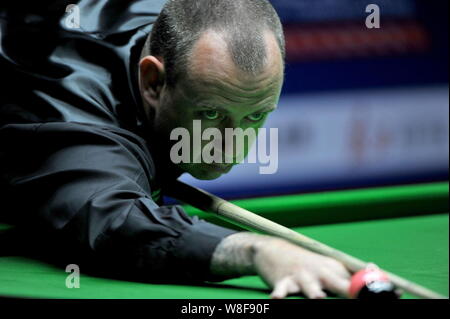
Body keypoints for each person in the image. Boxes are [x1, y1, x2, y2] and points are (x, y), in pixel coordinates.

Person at [0, 0, 351, 299]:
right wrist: (257, 249)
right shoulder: (77, 119)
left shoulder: (177, 25)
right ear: (153, 82)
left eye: (255, 116)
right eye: (210, 114)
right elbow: (114, 219)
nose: (230, 147)